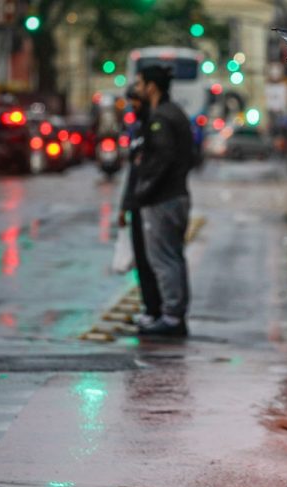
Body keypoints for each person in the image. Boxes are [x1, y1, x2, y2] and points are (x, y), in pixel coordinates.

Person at [133, 65, 194, 338]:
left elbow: (162, 159)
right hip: (176, 195)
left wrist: (144, 191)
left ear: (151, 87)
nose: (137, 90)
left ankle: (171, 317)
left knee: (164, 259)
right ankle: (174, 313)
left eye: (139, 84)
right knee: (173, 257)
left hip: (164, 199)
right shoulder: (176, 112)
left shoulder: (161, 117)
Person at [117, 84, 162, 328]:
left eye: (136, 101)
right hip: (137, 202)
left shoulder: (154, 125)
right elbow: (132, 173)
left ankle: (159, 310)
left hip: (151, 203)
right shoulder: (136, 129)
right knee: (141, 260)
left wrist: (145, 195)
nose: (133, 106)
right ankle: (150, 307)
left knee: (153, 259)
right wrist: (124, 207)